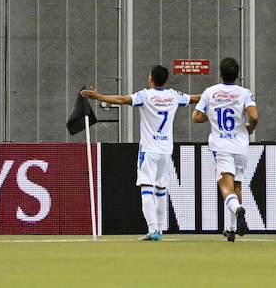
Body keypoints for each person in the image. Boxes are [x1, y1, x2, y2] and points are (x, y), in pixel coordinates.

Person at [81, 65, 200, 241]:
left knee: (146, 188)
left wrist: (99, 96)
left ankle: (152, 229)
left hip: (149, 149)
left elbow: (122, 100)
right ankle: (159, 230)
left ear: (150, 78)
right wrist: (213, 96)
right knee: (161, 189)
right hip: (166, 150)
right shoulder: (174, 96)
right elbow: (194, 99)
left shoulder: (145, 96)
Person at [192, 58, 259, 243]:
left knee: (225, 187)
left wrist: (211, 117)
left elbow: (196, 117)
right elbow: (254, 115)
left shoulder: (210, 92)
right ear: (238, 76)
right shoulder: (244, 93)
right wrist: (251, 127)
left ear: (219, 74)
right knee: (237, 185)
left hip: (221, 147)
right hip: (240, 146)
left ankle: (237, 210)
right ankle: (230, 228)